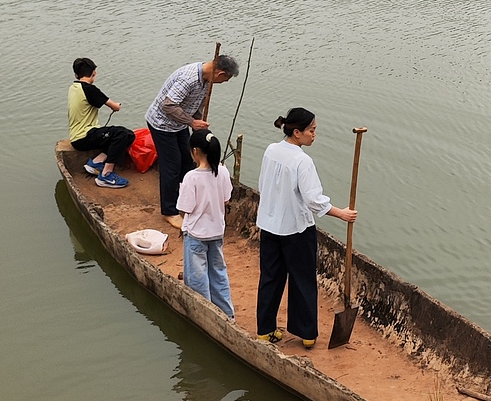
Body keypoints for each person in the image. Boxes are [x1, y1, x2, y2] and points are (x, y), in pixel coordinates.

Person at [255, 109, 357, 349]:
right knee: (302, 279)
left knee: (270, 277)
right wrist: (340, 213)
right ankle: (307, 333)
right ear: (297, 132)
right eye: (311, 131)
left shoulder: (271, 150)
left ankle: (265, 329)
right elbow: (313, 200)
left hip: (269, 225)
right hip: (296, 229)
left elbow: (264, 184)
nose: (314, 135)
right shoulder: (302, 161)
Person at [146, 52, 240, 217]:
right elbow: (168, 105)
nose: (222, 83)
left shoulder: (206, 80)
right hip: (162, 124)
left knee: (188, 161)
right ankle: (169, 211)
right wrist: (192, 123)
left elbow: (195, 104)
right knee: (172, 166)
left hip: (180, 123)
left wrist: (198, 122)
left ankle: (185, 199)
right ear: (220, 74)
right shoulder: (188, 78)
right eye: (225, 80)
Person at [177, 131, 235, 317]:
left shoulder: (191, 177)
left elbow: (184, 208)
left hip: (196, 234)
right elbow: (226, 199)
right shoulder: (223, 171)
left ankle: (204, 314)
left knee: (197, 277)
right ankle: (227, 314)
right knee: (218, 273)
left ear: (195, 151)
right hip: (217, 232)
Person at [67, 57, 135, 189]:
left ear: (76, 75)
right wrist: (118, 105)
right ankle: (106, 175)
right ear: (94, 73)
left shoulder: (73, 88)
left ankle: (96, 162)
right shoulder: (89, 89)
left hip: (77, 136)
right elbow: (114, 106)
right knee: (121, 134)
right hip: (85, 136)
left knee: (129, 135)